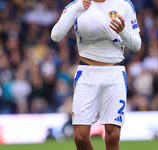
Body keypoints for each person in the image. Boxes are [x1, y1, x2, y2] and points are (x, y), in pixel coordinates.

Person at [51, 0, 141, 149]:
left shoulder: (123, 4)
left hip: (114, 73)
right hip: (87, 73)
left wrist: (122, 31)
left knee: (113, 135)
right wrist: (78, 6)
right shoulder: (77, 5)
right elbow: (56, 35)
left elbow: (136, 45)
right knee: (80, 137)